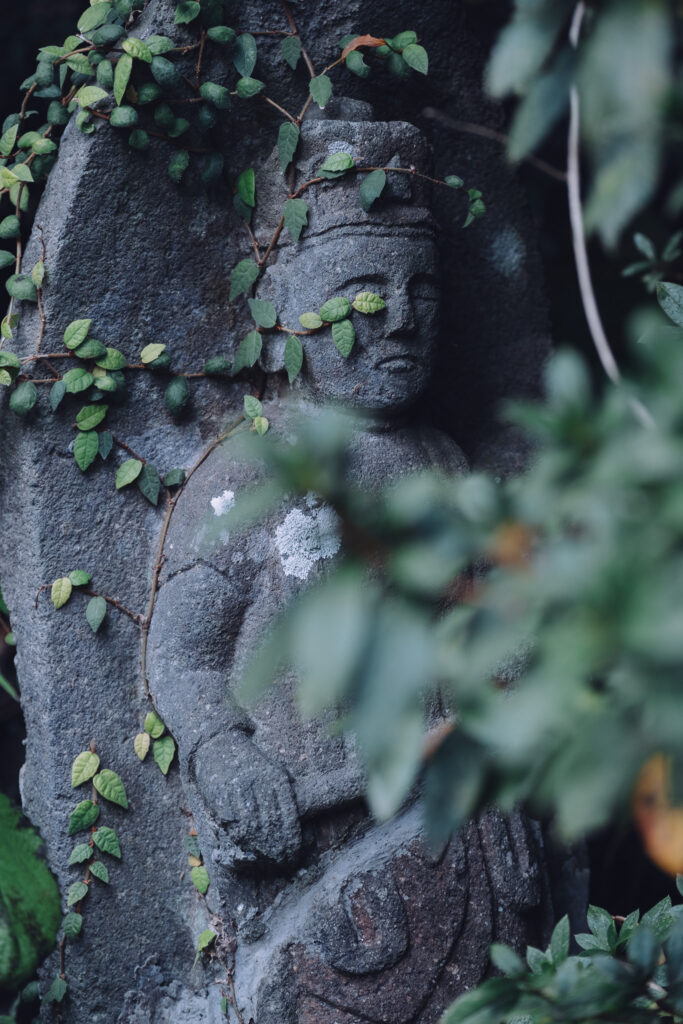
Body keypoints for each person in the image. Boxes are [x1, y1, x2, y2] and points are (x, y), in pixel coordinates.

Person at [147, 116, 551, 1023]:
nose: (401, 321)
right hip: (327, 841)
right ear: (292, 307)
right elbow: (184, 654)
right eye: (365, 296)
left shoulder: (444, 461)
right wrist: (222, 753)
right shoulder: (252, 474)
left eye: (423, 294)